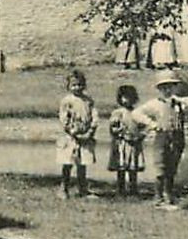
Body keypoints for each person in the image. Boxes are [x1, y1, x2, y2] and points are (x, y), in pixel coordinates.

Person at [131, 72, 188, 208]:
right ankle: (158, 198)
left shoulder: (180, 103)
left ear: (175, 87)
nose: (167, 90)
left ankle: (168, 195)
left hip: (177, 137)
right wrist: (152, 124)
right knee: (160, 167)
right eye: (163, 87)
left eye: (170, 86)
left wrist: (180, 100)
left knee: (172, 168)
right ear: (159, 89)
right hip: (162, 137)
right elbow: (136, 113)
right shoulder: (155, 104)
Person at [57, 69, 98, 199]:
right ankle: (64, 188)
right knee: (68, 163)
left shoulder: (88, 101)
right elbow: (64, 119)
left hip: (85, 136)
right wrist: (72, 131)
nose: (77, 87)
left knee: (83, 164)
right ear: (68, 86)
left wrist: (90, 131)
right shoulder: (67, 101)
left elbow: (94, 116)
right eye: (74, 85)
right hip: (71, 137)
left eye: (79, 84)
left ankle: (82, 188)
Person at [107, 83, 146, 197]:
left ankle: (133, 189)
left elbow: (143, 126)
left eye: (129, 97)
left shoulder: (138, 112)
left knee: (133, 167)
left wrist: (139, 136)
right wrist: (122, 134)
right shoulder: (117, 113)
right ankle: (121, 189)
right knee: (121, 165)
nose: (126, 100)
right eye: (124, 97)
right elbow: (113, 128)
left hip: (134, 143)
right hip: (122, 143)